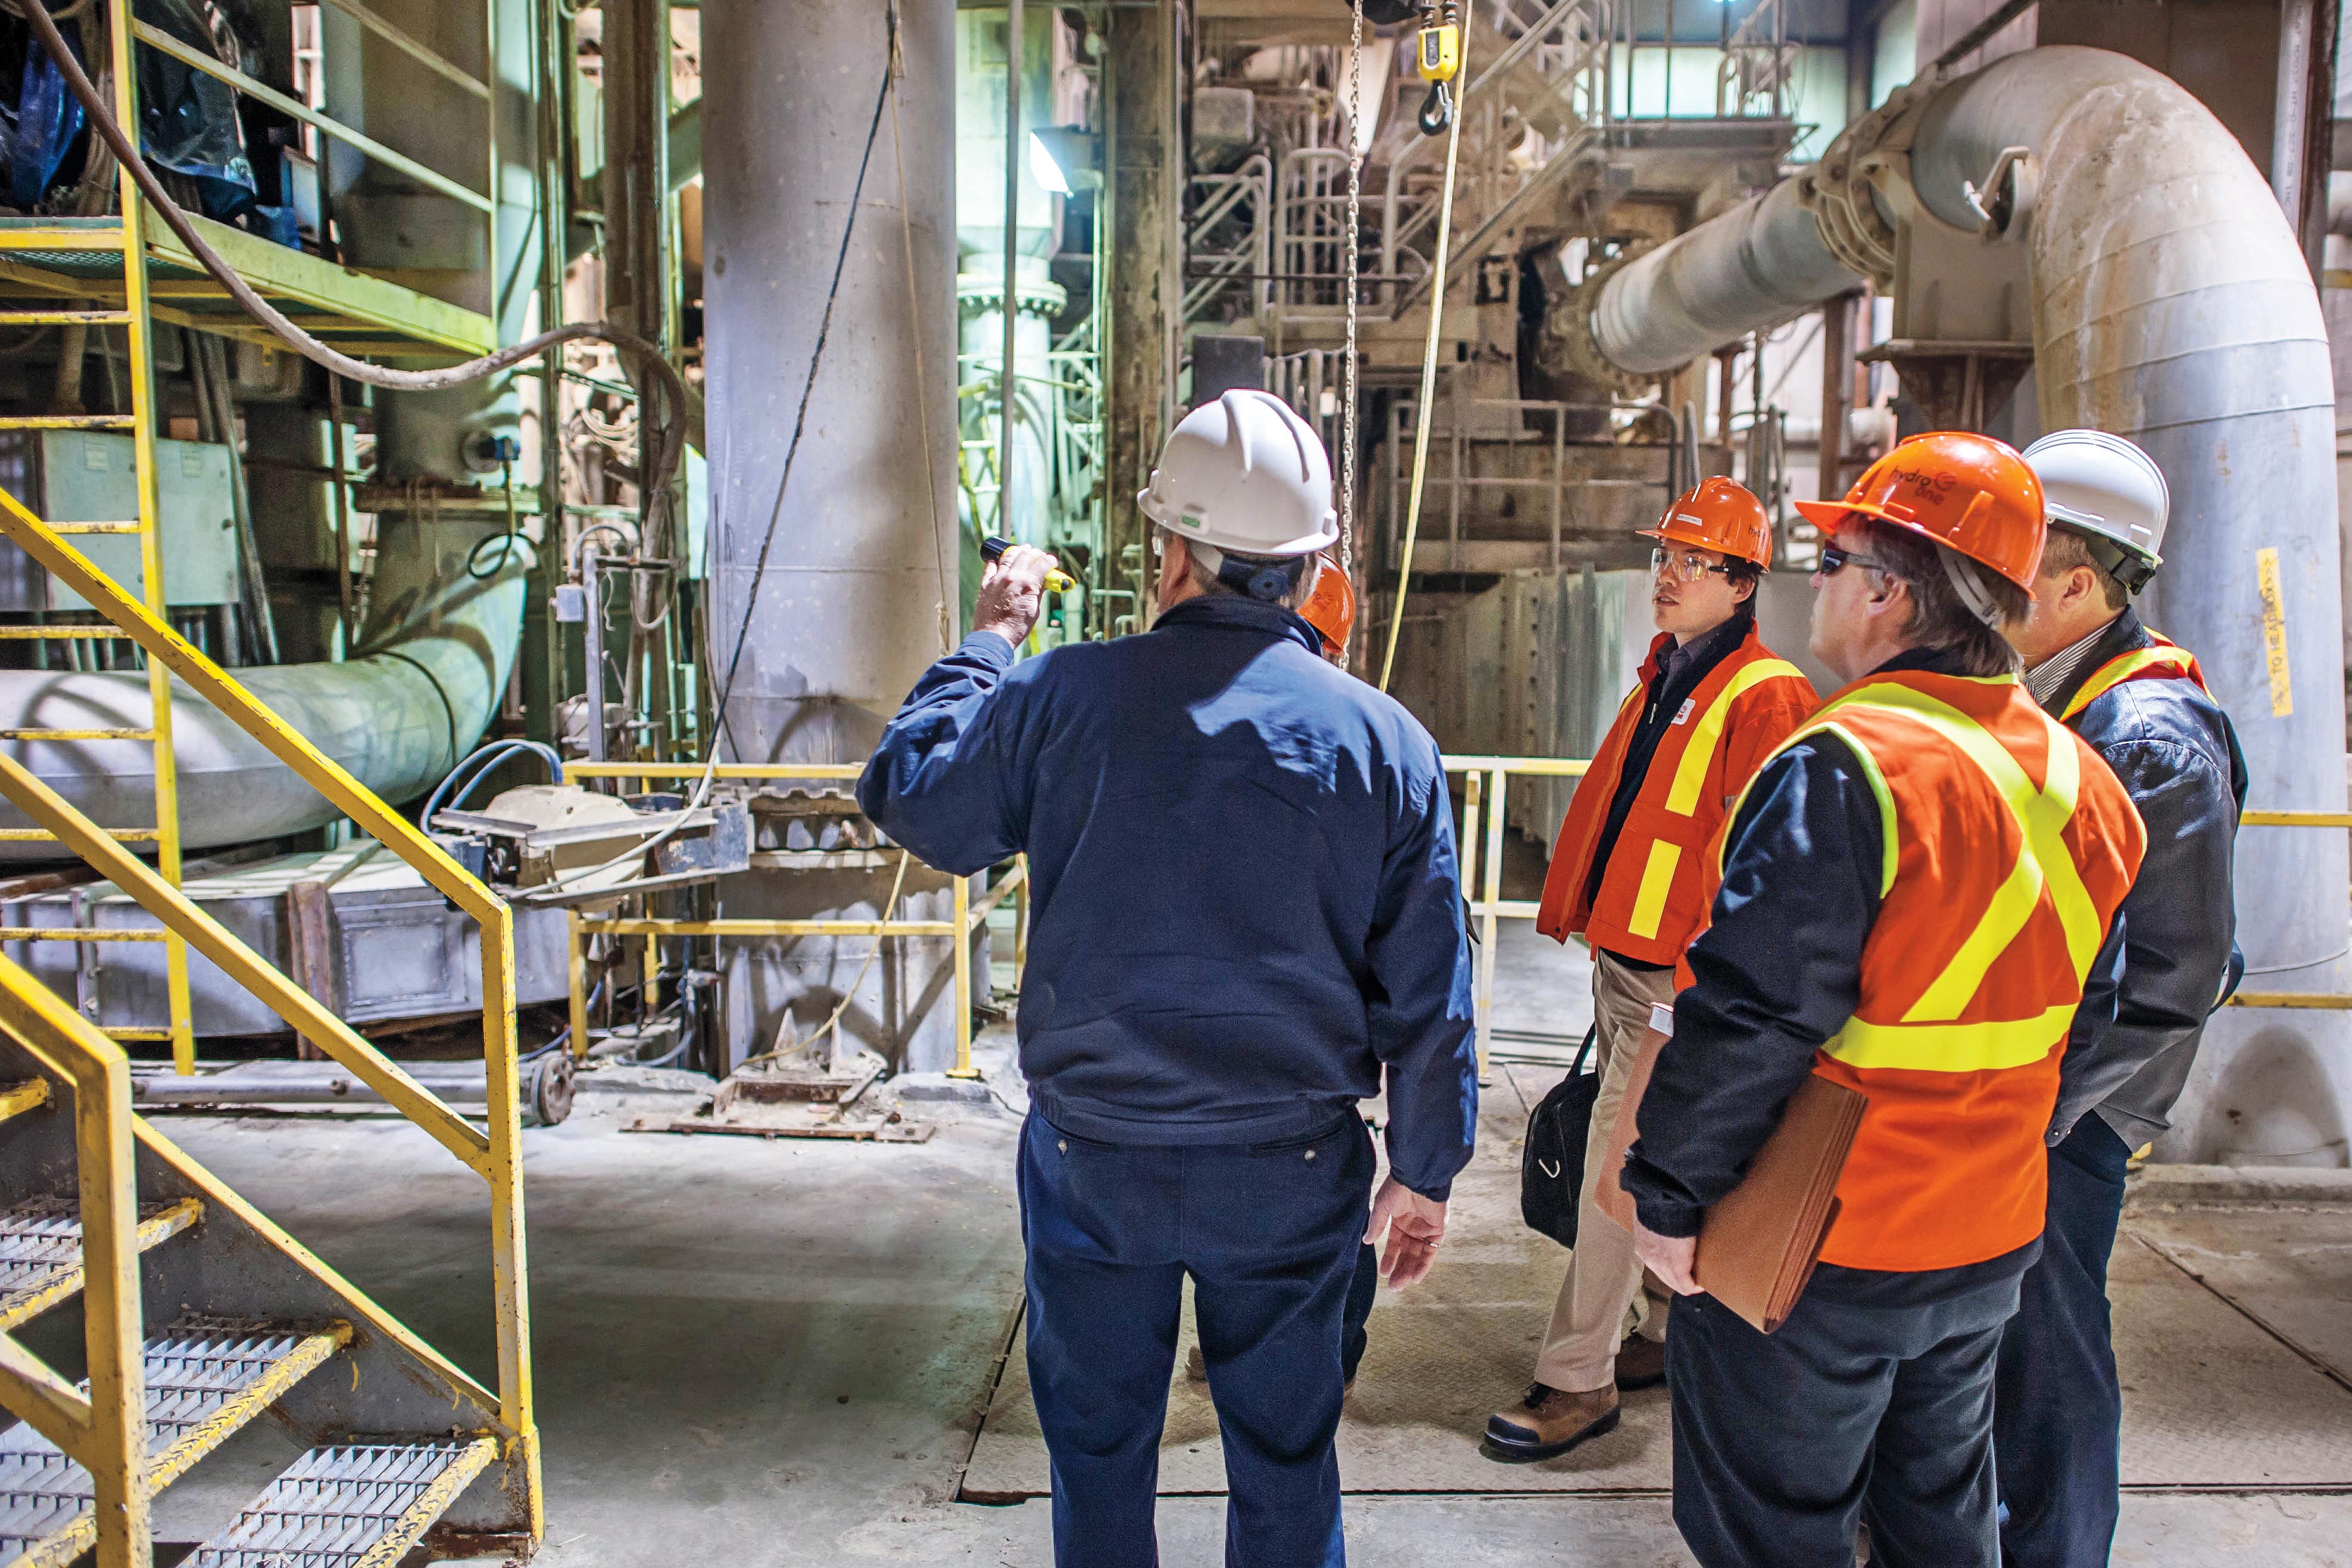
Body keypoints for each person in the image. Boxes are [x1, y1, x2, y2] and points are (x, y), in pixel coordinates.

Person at [857, 388, 1478, 1568]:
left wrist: (992, 641)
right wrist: (1425, 1170)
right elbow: (1430, 989)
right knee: (1286, 1465)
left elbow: (916, 797)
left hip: (1095, 1159)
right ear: (1310, 568)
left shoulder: (1058, 694)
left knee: (1096, 1459)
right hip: (1293, 1170)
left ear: (1174, 553)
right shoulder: (1383, 739)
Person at [1619, 432, 2147, 1567]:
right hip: (1990, 1239)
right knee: (1938, 1524)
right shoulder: (2086, 783)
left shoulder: (1847, 761)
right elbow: (2090, 1020)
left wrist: (1665, 1195)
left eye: (1830, 562)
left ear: (1888, 593)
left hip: (1822, 1246)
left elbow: (1750, 1015)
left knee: (1774, 1532)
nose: (1815, 585)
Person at [1486, 477, 1817, 1462]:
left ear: (1743, 583)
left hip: (1675, 987)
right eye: (1664, 555)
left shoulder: (1765, 695)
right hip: (1626, 967)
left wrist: (1701, 993)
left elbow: (1761, 867)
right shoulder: (1665, 675)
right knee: (1642, 1163)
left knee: (1613, 1178)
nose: (1667, 575)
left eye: (1693, 561)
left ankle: (1574, 1378)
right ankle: (1664, 1330)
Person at [1993, 430, 2246, 1567]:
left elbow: (2171, 977)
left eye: (2004, 561)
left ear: (2075, 584)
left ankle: (2055, 1549)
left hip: (2069, 1111)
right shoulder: (2060, 702)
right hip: (2030, 1091)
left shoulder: (2147, 735)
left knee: (2045, 1348)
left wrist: (2042, 1114)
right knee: (2000, 1341)